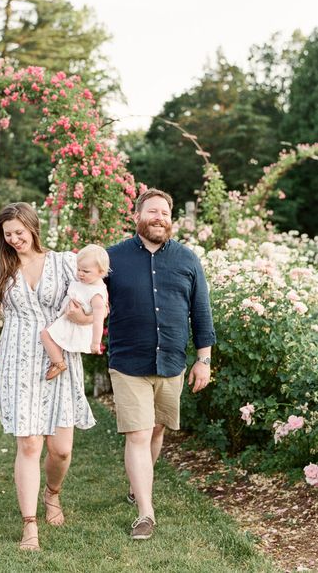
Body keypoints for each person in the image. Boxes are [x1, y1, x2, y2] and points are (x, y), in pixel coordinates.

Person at [0, 202, 95, 552]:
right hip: (18, 360)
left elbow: (92, 302)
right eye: (8, 235)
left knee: (62, 450)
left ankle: (52, 494)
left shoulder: (65, 262)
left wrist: (85, 320)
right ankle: (30, 525)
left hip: (60, 357)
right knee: (29, 444)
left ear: (33, 228)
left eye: (19, 233)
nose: (14, 240)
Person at [106, 188, 216, 541]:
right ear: (136, 216)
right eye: (152, 211)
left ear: (170, 219)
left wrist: (203, 359)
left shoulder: (187, 260)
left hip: (172, 361)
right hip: (128, 362)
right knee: (138, 433)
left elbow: (201, 313)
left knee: (155, 431)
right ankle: (145, 513)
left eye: (165, 212)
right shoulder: (113, 259)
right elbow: (89, 296)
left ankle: (139, 486)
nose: (159, 217)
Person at [40, 243, 109, 380]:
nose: (80, 274)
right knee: (50, 337)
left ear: (101, 272)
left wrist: (95, 343)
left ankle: (58, 363)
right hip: (67, 319)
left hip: (74, 325)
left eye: (86, 271)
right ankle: (58, 360)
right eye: (78, 269)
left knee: (45, 335)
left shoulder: (97, 294)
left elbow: (98, 320)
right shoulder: (84, 283)